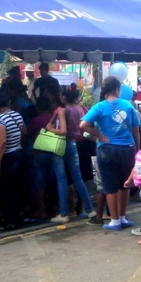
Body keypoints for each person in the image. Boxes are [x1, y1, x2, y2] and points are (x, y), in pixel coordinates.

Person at [80, 76, 140, 231]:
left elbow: (83, 125)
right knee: (125, 184)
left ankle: (115, 221)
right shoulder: (128, 105)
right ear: (117, 89)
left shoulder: (99, 107)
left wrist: (99, 135)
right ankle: (122, 217)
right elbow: (136, 130)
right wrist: (137, 150)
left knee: (110, 186)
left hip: (106, 149)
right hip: (127, 148)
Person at [0, 91, 27, 230]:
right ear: (9, 102)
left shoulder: (0, 120)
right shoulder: (17, 115)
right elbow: (24, 132)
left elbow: (2, 142)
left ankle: (12, 219)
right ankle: (17, 215)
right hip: (17, 154)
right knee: (16, 187)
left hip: (6, 158)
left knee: (8, 188)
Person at [29, 96, 70, 223]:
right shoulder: (54, 118)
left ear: (37, 108)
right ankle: (55, 206)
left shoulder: (35, 120)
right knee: (53, 180)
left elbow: (29, 134)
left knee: (40, 182)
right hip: (53, 151)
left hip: (39, 152)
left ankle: (42, 209)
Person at [62, 88, 94, 219]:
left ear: (64, 97)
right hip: (84, 144)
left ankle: (70, 208)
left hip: (69, 143)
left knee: (69, 177)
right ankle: (81, 206)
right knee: (82, 176)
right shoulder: (84, 109)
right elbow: (90, 125)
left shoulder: (64, 111)